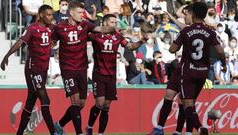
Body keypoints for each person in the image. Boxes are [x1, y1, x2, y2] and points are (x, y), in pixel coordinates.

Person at [149, 2, 227, 135]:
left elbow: (173, 48)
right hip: (197, 70)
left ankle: (189, 130)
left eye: (186, 14)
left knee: (186, 103)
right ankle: (160, 129)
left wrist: (180, 39)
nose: (184, 16)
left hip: (188, 70)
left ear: (192, 14)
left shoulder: (187, 31)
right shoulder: (209, 31)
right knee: (171, 96)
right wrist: (224, 64)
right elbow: (220, 51)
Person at [52, 2, 115, 135]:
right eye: (80, 12)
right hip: (67, 68)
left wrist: (113, 28)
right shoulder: (59, 27)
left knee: (81, 104)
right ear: (71, 12)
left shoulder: (85, 24)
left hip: (82, 67)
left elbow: (100, 30)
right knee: (75, 102)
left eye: (83, 12)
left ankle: (59, 124)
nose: (83, 15)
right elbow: (51, 43)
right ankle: (79, 132)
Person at [85, 14, 149, 135]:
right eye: (112, 22)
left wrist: (143, 40)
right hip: (99, 74)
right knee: (99, 103)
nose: (115, 25)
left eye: (115, 22)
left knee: (106, 106)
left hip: (111, 75)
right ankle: (89, 127)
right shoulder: (95, 35)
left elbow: (130, 46)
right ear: (104, 23)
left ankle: (100, 133)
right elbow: (82, 36)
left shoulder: (118, 36)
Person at [0, 5, 57, 135]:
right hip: (33, 69)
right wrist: (6, 56)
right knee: (45, 99)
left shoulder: (51, 28)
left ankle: (19, 132)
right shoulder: (32, 28)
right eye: (48, 15)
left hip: (43, 70)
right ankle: (54, 132)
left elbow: (59, 35)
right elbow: (20, 42)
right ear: (41, 15)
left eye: (52, 15)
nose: (51, 17)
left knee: (31, 101)